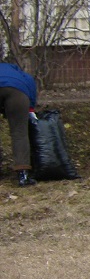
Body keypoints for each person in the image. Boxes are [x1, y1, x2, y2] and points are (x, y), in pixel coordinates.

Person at [0, 59, 38, 187]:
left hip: (15, 88)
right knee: (19, 133)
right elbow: (30, 82)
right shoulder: (17, 72)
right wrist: (31, 107)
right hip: (17, 91)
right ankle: (23, 175)